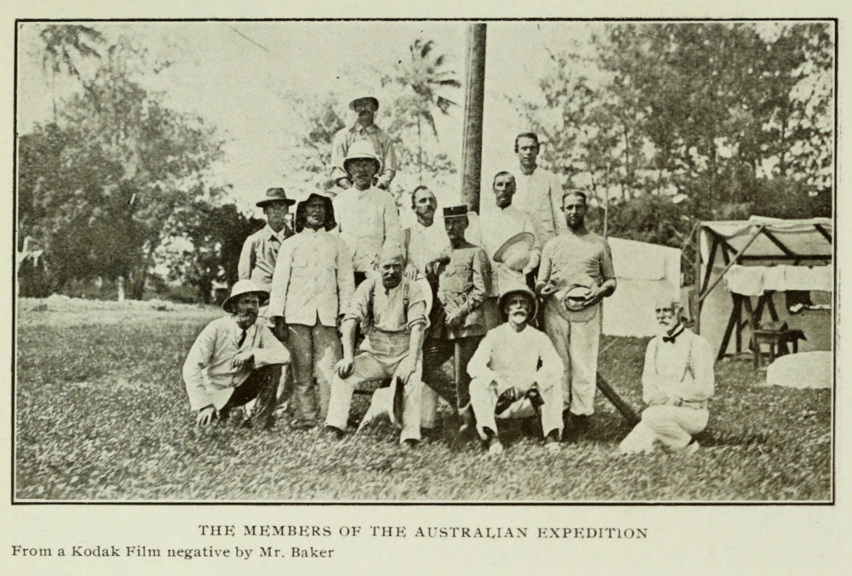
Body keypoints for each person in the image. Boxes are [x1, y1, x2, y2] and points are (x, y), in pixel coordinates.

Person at [325, 245, 428, 448]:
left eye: (397, 267)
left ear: (404, 266)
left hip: (404, 352)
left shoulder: (413, 289)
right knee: (343, 374)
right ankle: (335, 427)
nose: (391, 272)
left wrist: (412, 361)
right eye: (386, 267)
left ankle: (410, 437)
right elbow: (350, 321)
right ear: (377, 266)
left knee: (413, 379)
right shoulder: (368, 287)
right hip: (375, 352)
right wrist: (348, 357)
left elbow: (418, 328)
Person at [268, 192, 354, 429]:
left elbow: (346, 283)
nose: (316, 211)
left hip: (328, 318)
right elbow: (280, 283)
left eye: (321, 207)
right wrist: (278, 317)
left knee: (329, 371)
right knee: (301, 372)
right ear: (303, 212)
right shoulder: (291, 244)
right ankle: (307, 418)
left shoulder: (338, 244)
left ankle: (330, 419)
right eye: (311, 207)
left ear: (328, 212)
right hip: (296, 316)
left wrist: (346, 316)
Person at [536, 189, 617, 437]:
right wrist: (545, 289)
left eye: (578, 207)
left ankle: (581, 417)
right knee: (558, 363)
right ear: (562, 211)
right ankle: (557, 416)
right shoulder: (552, 245)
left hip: (588, 311)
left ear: (586, 210)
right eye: (569, 207)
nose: (573, 212)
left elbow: (611, 280)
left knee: (584, 364)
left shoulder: (599, 244)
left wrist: (599, 292)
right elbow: (540, 282)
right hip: (556, 310)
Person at [467, 285, 564, 455]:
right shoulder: (494, 335)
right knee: (477, 384)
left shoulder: (538, 337)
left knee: (553, 382)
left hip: (528, 400)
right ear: (506, 309)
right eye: (514, 303)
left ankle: (551, 436)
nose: (519, 307)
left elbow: (556, 365)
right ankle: (491, 438)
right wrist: (501, 383)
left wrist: (529, 383)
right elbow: (474, 365)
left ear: (530, 309)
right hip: (500, 402)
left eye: (523, 303)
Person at [420, 205, 491, 432]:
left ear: (465, 225)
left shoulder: (476, 252)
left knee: (463, 377)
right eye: (448, 223)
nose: (451, 227)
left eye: (457, 222)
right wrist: (428, 269)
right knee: (424, 365)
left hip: (468, 324)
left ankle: (468, 425)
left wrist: (460, 313)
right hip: (443, 325)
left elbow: (482, 290)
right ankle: (466, 408)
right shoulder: (442, 253)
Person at [182, 280, 290, 429]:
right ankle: (219, 412)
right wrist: (204, 404)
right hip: (215, 390)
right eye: (245, 302)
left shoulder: (260, 328)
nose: (251, 308)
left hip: (241, 388)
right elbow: (191, 367)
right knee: (210, 430)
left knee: (273, 368)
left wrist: (253, 353)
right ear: (233, 306)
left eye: (255, 303)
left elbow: (284, 355)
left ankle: (259, 423)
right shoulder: (216, 328)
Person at [618, 295, 713, 455]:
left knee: (649, 416)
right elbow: (648, 383)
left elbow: (706, 388)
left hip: (692, 412)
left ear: (679, 312)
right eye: (658, 311)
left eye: (666, 310)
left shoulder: (697, 343)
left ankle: (687, 445)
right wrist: (654, 397)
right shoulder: (654, 345)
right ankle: (665, 443)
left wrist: (676, 395)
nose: (661, 315)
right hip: (660, 412)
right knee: (626, 450)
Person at [466, 171, 541, 328]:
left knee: (516, 331)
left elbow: (535, 250)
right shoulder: (482, 219)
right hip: (490, 286)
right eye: (500, 184)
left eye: (508, 185)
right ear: (493, 188)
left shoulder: (524, 218)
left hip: (515, 285)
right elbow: (472, 252)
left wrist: (523, 267)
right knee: (492, 333)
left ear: (514, 189)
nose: (504, 189)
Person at [333, 141, 403, 284]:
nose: (361, 170)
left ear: (374, 169)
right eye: (356, 165)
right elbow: (333, 236)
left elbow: (393, 236)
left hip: (375, 267)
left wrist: (383, 258)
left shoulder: (385, 199)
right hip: (345, 267)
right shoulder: (340, 200)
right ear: (349, 170)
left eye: (366, 165)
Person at [330, 95, 398, 191]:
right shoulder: (342, 136)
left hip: (376, 189)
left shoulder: (384, 138)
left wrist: (375, 191)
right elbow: (337, 170)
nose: (363, 109)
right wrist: (352, 192)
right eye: (359, 105)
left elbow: (389, 170)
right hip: (346, 188)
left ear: (374, 107)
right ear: (354, 108)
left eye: (367, 104)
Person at [238, 187, 296, 295]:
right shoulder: (254, 241)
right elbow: (244, 280)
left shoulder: (297, 240)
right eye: (272, 206)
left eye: (281, 206)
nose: (276, 210)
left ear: (287, 210)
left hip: (290, 302)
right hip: (263, 303)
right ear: (265, 210)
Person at [512, 132, 568, 246]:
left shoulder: (550, 179)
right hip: (518, 244)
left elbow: (560, 217)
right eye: (524, 148)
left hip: (546, 243)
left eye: (532, 148)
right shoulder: (510, 179)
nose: (528, 152)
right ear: (517, 151)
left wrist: (562, 244)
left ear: (537, 150)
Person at [403, 185, 452, 280]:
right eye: (422, 201)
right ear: (414, 208)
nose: (428, 204)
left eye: (431, 200)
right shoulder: (406, 235)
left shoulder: (446, 234)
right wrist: (408, 265)